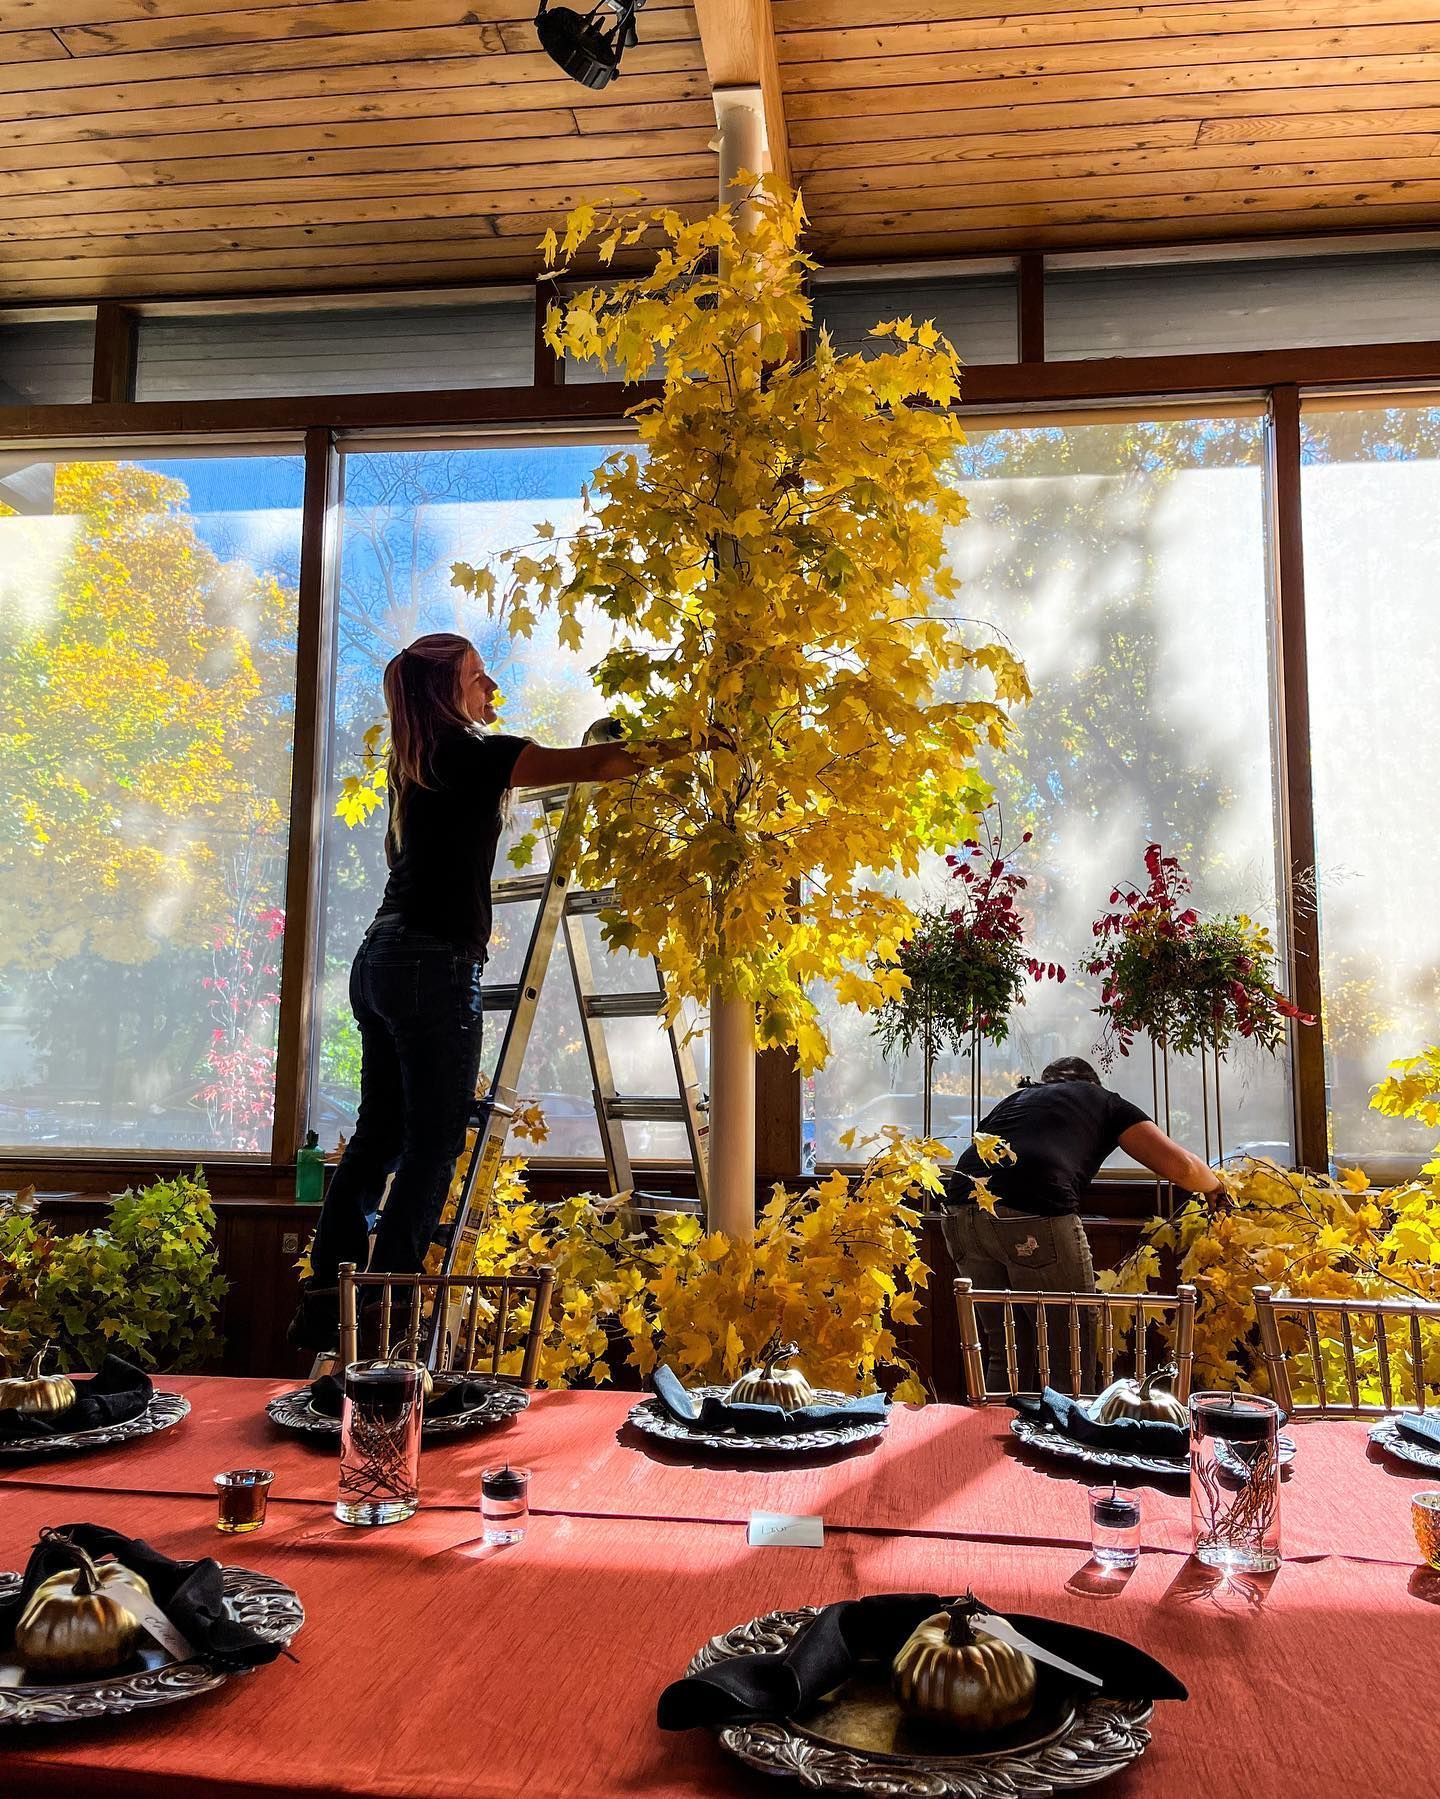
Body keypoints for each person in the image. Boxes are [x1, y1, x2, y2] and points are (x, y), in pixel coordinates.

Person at [289, 631, 706, 1351]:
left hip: (379, 960)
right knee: (433, 1142)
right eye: (479, 678)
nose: (492, 691)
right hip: (429, 964)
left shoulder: (414, 762)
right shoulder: (471, 752)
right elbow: (601, 762)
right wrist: (691, 741)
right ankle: (386, 1317)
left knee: (382, 1133)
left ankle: (329, 1303)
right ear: (447, 690)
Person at [945, 1055, 1221, 1393]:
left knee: (1006, 1352)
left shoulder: (1015, 1101)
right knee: (1069, 1354)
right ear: (1093, 1084)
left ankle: (986, 1442)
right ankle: (1068, 1441)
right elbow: (1182, 1168)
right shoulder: (1104, 1102)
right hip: (1034, 1213)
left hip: (959, 1212)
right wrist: (1217, 1186)